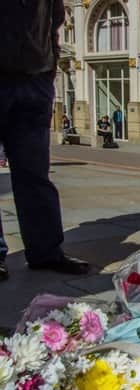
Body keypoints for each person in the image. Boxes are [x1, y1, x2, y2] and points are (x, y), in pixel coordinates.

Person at [0, 0, 89, 275]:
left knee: (35, 173)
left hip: (34, 78)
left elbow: (55, 21)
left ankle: (45, 250)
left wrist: (48, 71)